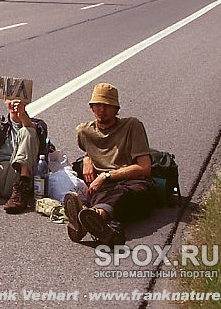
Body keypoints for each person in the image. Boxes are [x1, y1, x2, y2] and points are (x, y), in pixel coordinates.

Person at [64, 83, 156, 246]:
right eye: (97, 105)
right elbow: (88, 148)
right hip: (104, 187)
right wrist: (87, 158)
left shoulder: (132, 126)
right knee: (100, 195)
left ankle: (91, 219)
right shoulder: (84, 131)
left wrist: (106, 175)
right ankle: (100, 224)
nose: (101, 110)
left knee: (121, 194)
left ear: (116, 108)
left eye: (107, 105)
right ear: (91, 108)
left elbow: (144, 167)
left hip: (133, 181)